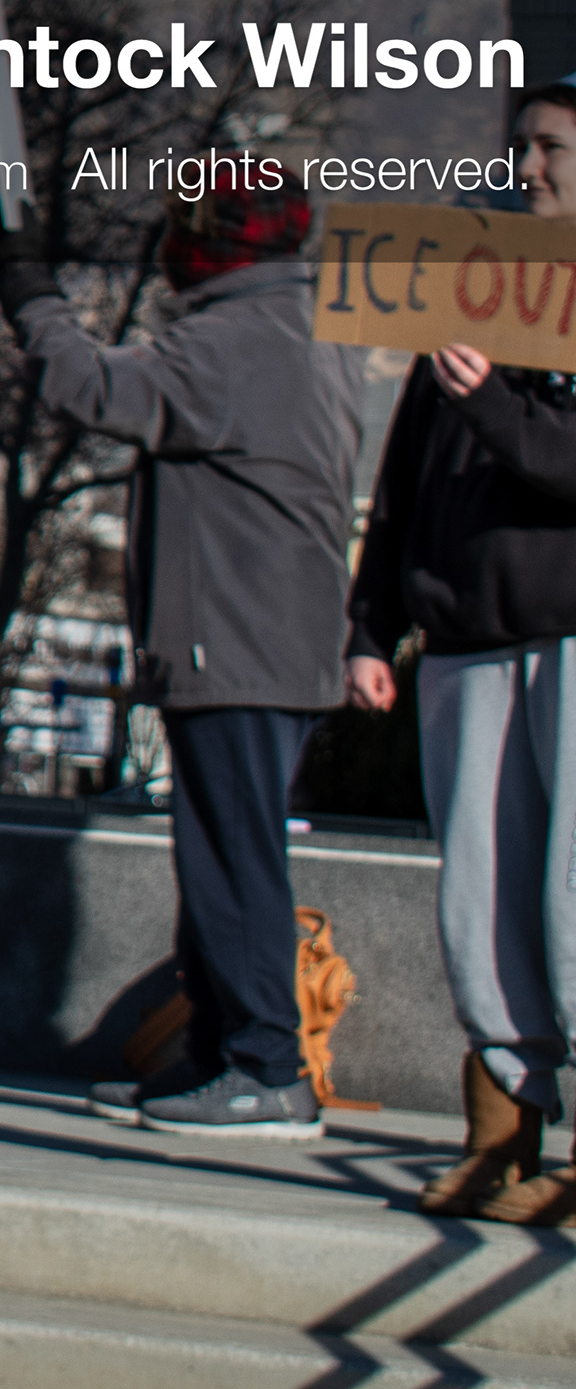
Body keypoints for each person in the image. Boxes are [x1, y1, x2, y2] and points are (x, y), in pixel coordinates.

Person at [0, 174, 358, 1139]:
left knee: (232, 856)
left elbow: (94, 387)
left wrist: (31, 295)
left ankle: (262, 1065)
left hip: (237, 638)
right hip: (270, 640)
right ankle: (219, 1052)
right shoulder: (305, 328)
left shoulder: (234, 342)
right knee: (226, 847)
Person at [348, 81, 576, 1217]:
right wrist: (369, 622)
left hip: (569, 633)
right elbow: (402, 478)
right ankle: (500, 1128)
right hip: (467, 636)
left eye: (552, 147)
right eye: (521, 144)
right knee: (479, 894)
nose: (528, 164)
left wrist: (495, 402)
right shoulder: (473, 287)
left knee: (571, 888)